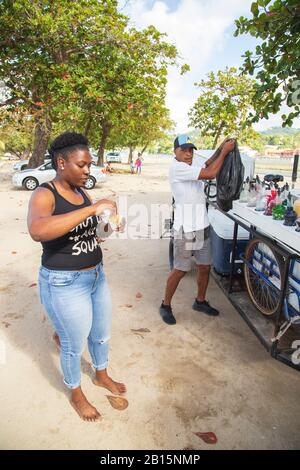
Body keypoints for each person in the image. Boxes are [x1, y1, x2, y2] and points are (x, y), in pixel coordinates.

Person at [27, 132, 126, 421]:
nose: (88, 171)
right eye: (82, 165)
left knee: (101, 333)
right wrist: (92, 209)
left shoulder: (82, 193)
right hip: (64, 283)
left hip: (96, 276)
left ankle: (101, 374)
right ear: (61, 162)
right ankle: (75, 391)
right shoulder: (45, 193)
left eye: (90, 164)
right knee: (73, 343)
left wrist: (110, 225)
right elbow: (38, 230)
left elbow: (95, 235)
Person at [159, 134, 235, 325]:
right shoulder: (177, 168)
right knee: (180, 269)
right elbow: (210, 173)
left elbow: (207, 165)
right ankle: (165, 305)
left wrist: (219, 148)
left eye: (190, 150)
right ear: (174, 152)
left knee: (204, 267)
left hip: (202, 226)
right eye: (183, 150)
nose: (188, 153)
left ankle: (200, 302)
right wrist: (225, 152)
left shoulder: (190, 165)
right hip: (185, 230)